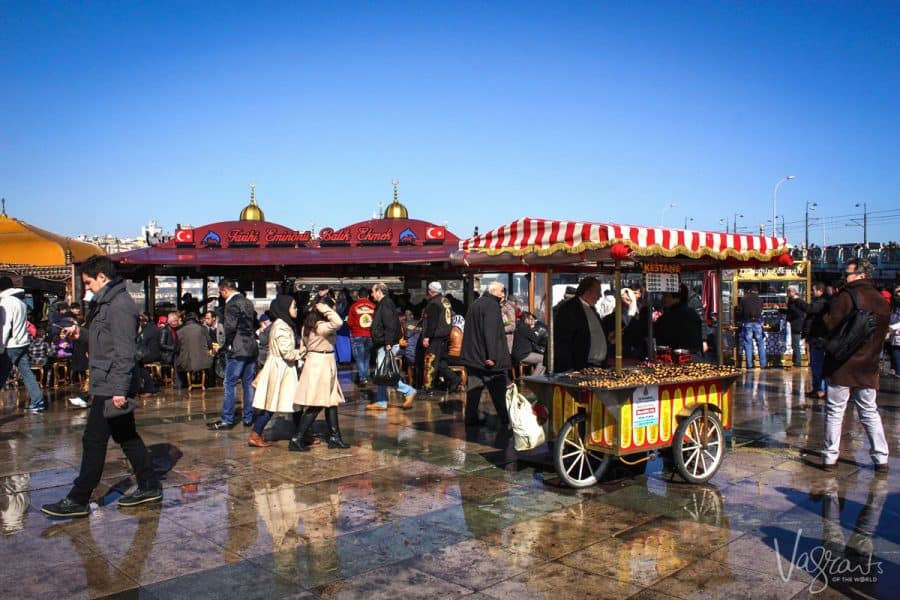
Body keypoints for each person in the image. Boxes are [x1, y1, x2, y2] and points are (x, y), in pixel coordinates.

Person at [40, 255, 161, 517]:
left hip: (111, 384)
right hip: (108, 380)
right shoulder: (108, 303)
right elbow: (103, 339)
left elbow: (125, 351)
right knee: (126, 436)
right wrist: (80, 334)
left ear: (102, 278)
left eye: (88, 283)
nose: (86, 288)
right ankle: (150, 485)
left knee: (94, 439)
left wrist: (119, 390)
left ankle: (79, 498)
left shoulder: (118, 306)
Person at [821, 259, 890, 473]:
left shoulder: (846, 296)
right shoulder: (881, 300)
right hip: (868, 365)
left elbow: (829, 324)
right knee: (869, 411)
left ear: (860, 274)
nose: (845, 276)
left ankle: (830, 457)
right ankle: (881, 457)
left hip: (843, 365)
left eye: (848, 272)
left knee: (835, 411)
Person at [290, 296, 349, 451]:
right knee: (317, 403)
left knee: (331, 401)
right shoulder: (321, 326)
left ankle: (335, 437)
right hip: (321, 363)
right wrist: (324, 307)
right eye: (332, 308)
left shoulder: (308, 325)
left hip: (321, 362)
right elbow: (338, 322)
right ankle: (297, 438)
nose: (333, 310)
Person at [249, 295, 304, 448]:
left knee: (294, 403)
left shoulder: (283, 324)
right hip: (281, 369)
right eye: (294, 306)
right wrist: (303, 351)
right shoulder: (281, 326)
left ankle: (302, 434)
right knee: (273, 404)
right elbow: (287, 352)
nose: (296, 309)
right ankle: (256, 434)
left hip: (282, 368)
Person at [208, 279, 258, 430]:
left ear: (224, 290)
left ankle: (227, 419)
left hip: (237, 348)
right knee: (248, 384)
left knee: (230, 383)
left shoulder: (231, 304)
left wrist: (226, 345)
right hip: (251, 347)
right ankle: (248, 417)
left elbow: (230, 328)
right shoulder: (248, 302)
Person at [460, 280, 512, 426]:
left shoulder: (476, 304)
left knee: (474, 391)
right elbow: (490, 332)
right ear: (495, 292)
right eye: (503, 291)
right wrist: (492, 356)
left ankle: (470, 419)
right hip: (487, 359)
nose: (504, 295)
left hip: (474, 357)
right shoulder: (491, 305)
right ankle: (506, 421)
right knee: (498, 392)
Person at [367, 282, 417, 410]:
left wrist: (388, 343)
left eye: (373, 291)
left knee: (384, 372)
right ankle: (381, 401)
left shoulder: (385, 304)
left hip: (387, 344)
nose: (372, 295)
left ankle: (408, 391)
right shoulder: (384, 304)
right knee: (383, 371)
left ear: (379, 291)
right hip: (385, 342)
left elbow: (390, 325)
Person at [0, 276, 47, 412]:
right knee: (27, 373)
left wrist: (0, 346)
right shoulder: (20, 302)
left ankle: (38, 401)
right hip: (23, 342)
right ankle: (38, 401)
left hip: (11, 344)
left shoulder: (6, 303)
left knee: (2, 373)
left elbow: (6, 326)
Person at [553, 276, 606, 372]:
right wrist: (568, 368)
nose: (600, 296)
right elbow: (562, 341)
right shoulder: (570, 309)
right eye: (598, 292)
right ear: (588, 291)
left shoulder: (591, 309)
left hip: (595, 366)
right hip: (579, 368)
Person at [421, 281, 461, 392]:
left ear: (430, 291)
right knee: (440, 362)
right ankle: (454, 379)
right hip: (445, 336)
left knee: (430, 360)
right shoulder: (445, 301)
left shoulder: (433, 303)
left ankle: (428, 386)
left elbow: (432, 323)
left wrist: (427, 337)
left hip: (435, 337)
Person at [654, 287, 703, 356]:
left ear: (677, 298)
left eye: (666, 295)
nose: (662, 298)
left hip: (677, 357)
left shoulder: (670, 316)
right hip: (693, 356)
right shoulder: (692, 312)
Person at [803, 282, 829, 398]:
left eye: (813, 290)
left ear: (820, 291)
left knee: (818, 365)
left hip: (818, 338)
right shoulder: (820, 302)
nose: (811, 292)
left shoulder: (821, 303)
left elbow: (810, 309)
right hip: (816, 337)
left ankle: (820, 389)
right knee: (816, 365)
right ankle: (819, 388)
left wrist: (797, 300)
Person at [347, 287, 375, 386]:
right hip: (370, 335)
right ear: (368, 296)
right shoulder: (373, 306)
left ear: (358, 296)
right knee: (367, 357)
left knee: (359, 358)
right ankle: (365, 377)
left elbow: (349, 323)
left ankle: (363, 378)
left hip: (357, 334)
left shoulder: (353, 306)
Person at [175, 312, 213, 382]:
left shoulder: (179, 331)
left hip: (186, 362)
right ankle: (209, 382)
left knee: (176, 359)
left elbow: (177, 348)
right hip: (204, 361)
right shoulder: (203, 328)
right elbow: (210, 345)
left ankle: (180, 383)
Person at [736, 285, 766, 369]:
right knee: (760, 343)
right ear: (757, 291)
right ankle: (763, 364)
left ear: (749, 290)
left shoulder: (744, 299)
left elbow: (740, 312)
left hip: (747, 322)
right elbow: (761, 311)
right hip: (757, 322)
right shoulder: (760, 300)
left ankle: (749, 364)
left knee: (748, 343)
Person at [511, 311, 545, 376]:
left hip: (517, 354)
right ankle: (534, 379)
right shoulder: (525, 328)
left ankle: (535, 378)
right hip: (523, 355)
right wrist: (535, 331)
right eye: (531, 319)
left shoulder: (519, 326)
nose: (532, 321)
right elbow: (536, 339)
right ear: (526, 320)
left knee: (539, 356)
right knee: (544, 359)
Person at [783, 284, 809, 367]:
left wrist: (788, 316)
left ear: (794, 292)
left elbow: (797, 313)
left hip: (797, 325)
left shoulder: (797, 301)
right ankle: (795, 361)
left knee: (795, 344)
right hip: (795, 324)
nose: (788, 293)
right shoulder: (793, 301)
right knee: (794, 343)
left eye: (789, 291)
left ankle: (797, 362)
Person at [889, 288, 900, 377]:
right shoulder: (894, 307)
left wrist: (891, 328)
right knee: (895, 353)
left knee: (896, 352)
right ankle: (897, 371)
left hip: (896, 333)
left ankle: (898, 372)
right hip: (895, 335)